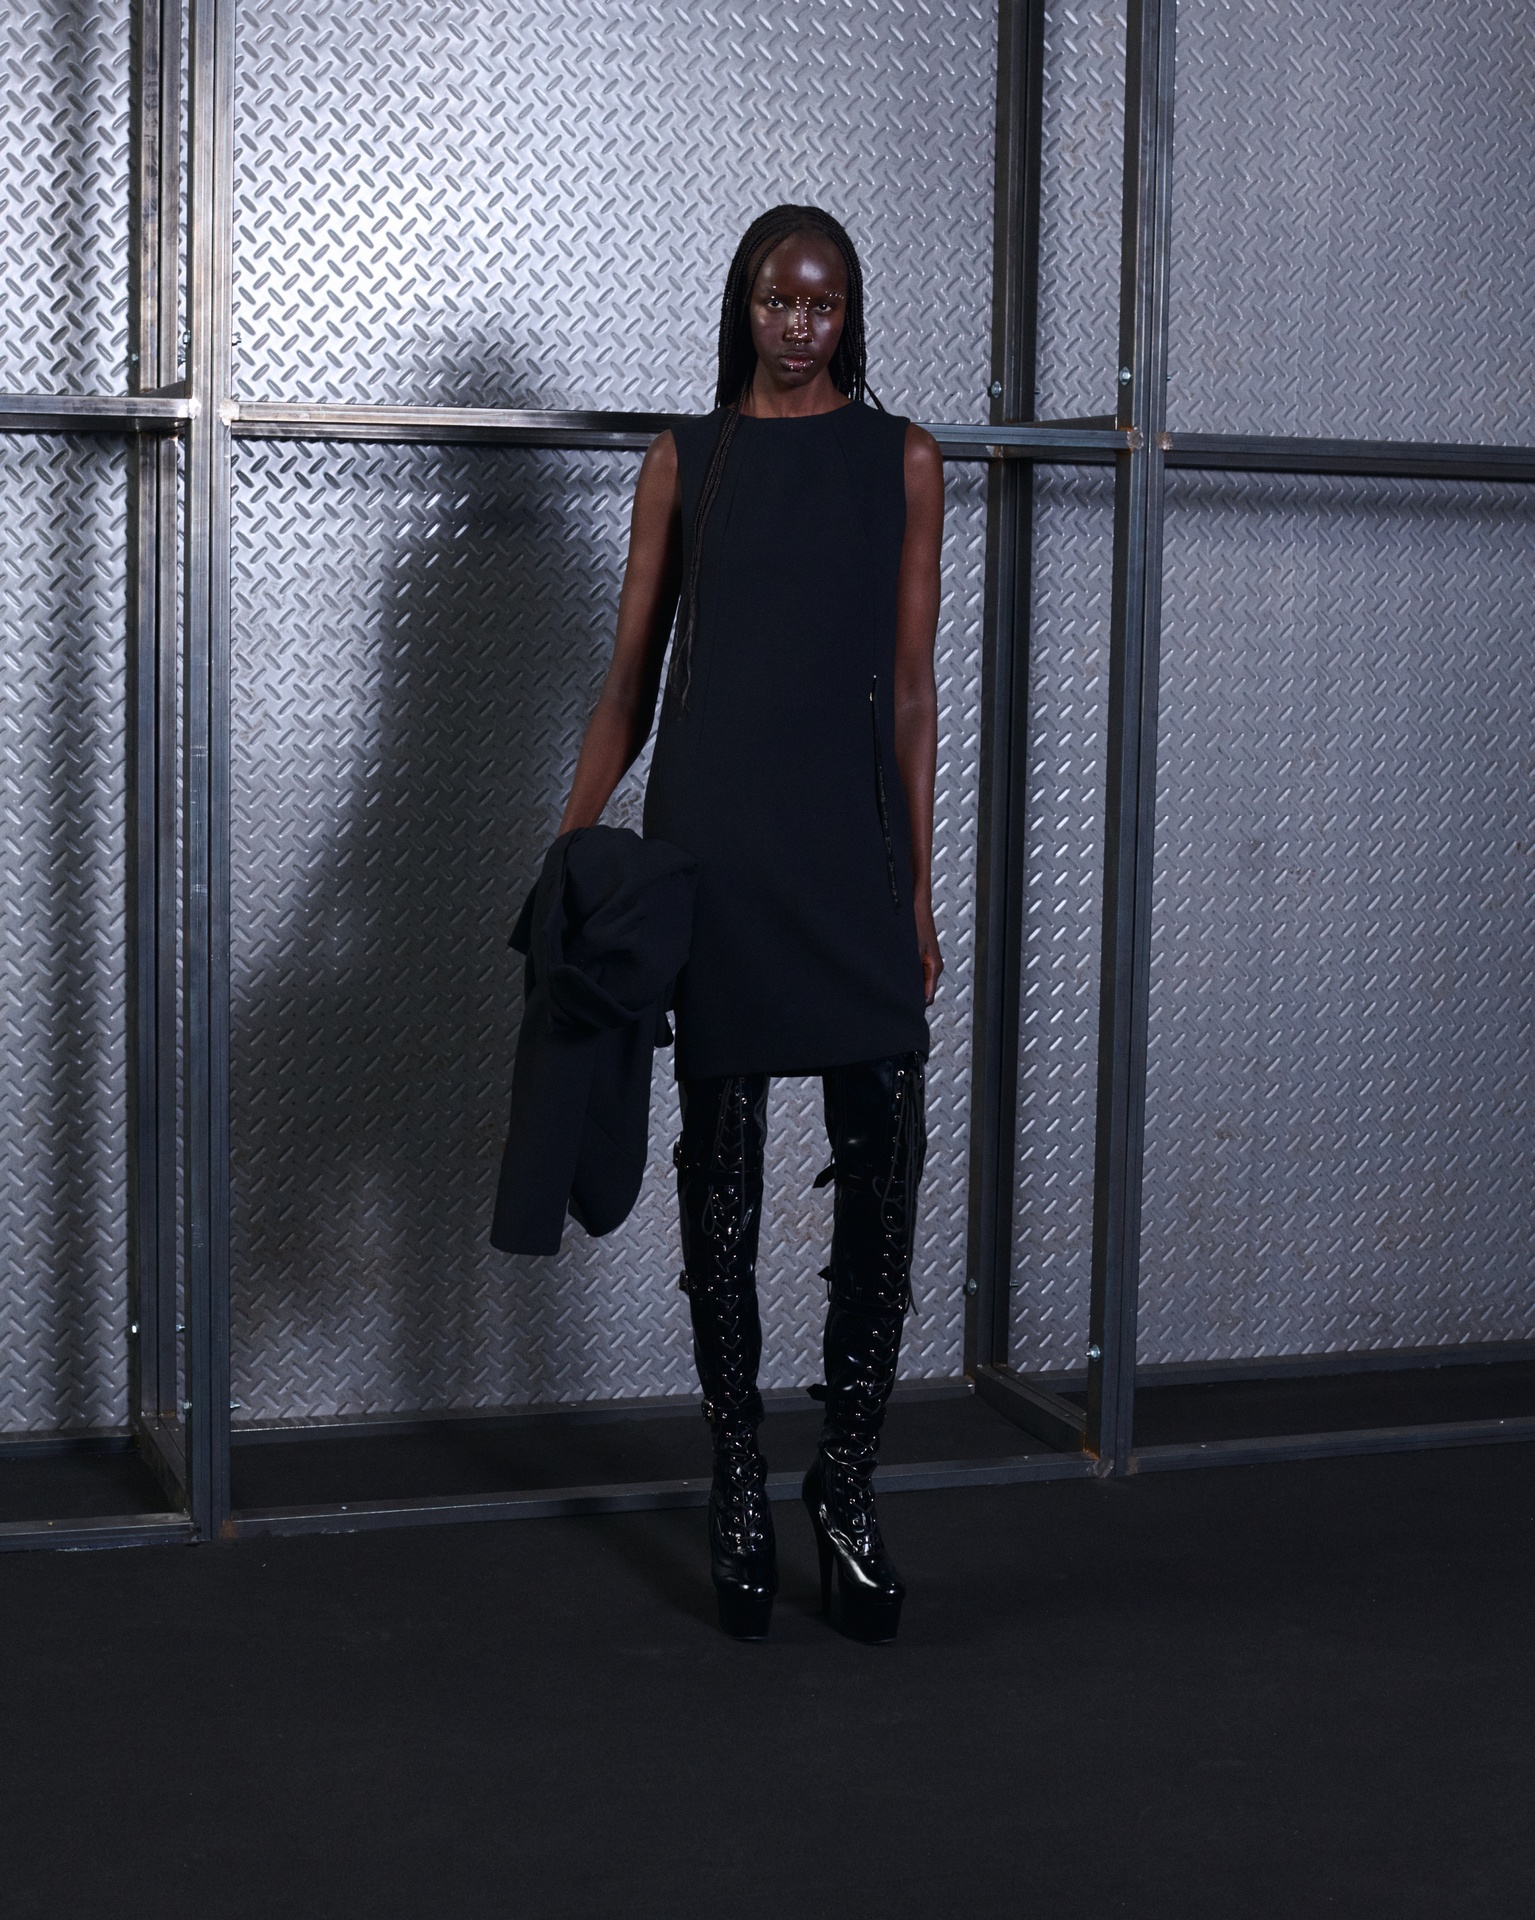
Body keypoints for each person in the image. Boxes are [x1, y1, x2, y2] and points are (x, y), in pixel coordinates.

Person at [556, 204, 944, 1642]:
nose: (799, 325)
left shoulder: (904, 460)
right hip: (714, 851)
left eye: (823, 305)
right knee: (718, 1177)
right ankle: (735, 1479)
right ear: (745, 306)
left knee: (884, 1166)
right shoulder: (688, 457)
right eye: (779, 301)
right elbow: (628, 684)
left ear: (849, 315)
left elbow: (911, 690)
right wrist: (569, 848)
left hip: (847, 857)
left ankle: (844, 1484)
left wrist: (918, 889)